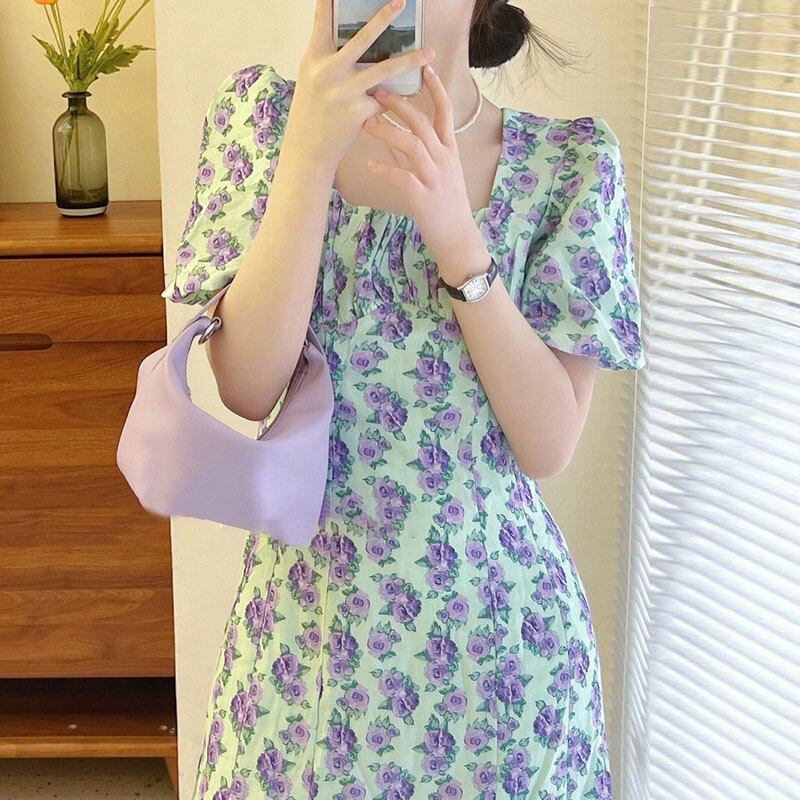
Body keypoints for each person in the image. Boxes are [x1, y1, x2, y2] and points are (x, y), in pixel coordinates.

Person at [162, 0, 645, 797]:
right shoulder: (262, 120)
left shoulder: (568, 164)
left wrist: (456, 235)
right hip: (308, 641)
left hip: (500, 657)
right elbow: (247, 386)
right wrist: (309, 153)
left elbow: (548, 442)